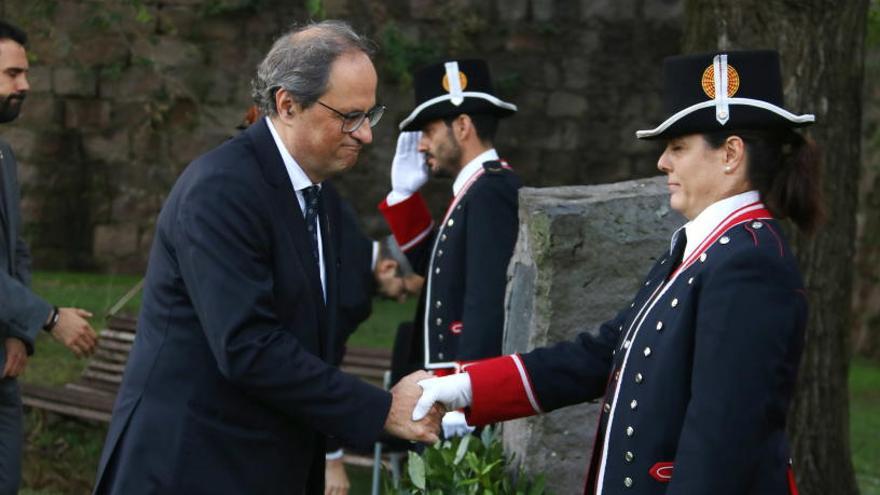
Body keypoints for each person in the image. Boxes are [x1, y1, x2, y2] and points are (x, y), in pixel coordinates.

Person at [414, 49, 822, 495]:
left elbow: (721, 444)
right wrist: (467, 387)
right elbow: (603, 353)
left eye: (678, 148)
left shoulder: (749, 263)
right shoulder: (704, 250)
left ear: (730, 154)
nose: (663, 163)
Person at [93, 21, 442, 495]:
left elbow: (315, 332)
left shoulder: (315, 195)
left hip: (262, 461)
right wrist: (381, 409)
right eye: (349, 116)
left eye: (370, 115)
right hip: (190, 465)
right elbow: (248, 347)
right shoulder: (223, 189)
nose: (365, 136)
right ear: (287, 104)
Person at [378, 59, 520, 436]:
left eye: (428, 130)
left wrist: (471, 395)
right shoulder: (474, 191)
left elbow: (486, 300)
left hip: (461, 391)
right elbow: (441, 269)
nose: (422, 144)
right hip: (447, 387)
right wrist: (404, 196)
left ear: (462, 126)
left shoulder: (491, 191)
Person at [0, 21, 98, 495]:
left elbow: (15, 249)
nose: (26, 85)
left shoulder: (4, 155)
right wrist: (49, 317)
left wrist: (20, 334)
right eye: (13, 74)